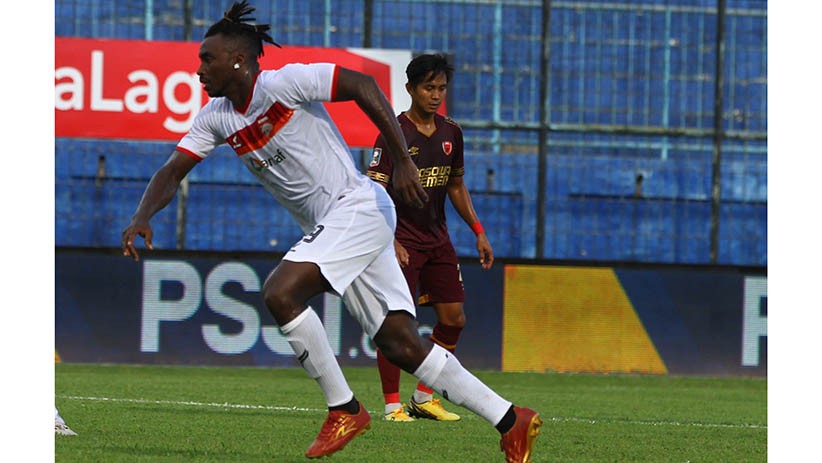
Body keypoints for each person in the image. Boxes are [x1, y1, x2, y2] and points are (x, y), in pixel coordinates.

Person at [120, 2, 541, 461]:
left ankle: (344, 409)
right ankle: (510, 419)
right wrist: (143, 215)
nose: (199, 69)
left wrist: (402, 159)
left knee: (281, 292)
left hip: (357, 208)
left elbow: (363, 84)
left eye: (207, 59)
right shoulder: (216, 117)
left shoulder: (285, 83)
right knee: (400, 343)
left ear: (237, 60)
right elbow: (172, 169)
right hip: (339, 226)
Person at [366, 53, 493, 423]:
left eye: (441, 88)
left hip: (438, 239)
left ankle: (424, 398)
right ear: (410, 89)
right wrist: (389, 239)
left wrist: (479, 231)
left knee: (454, 319)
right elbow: (374, 193)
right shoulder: (394, 133)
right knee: (396, 323)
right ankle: (392, 406)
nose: (436, 95)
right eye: (428, 88)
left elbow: (455, 184)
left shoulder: (452, 132)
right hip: (401, 240)